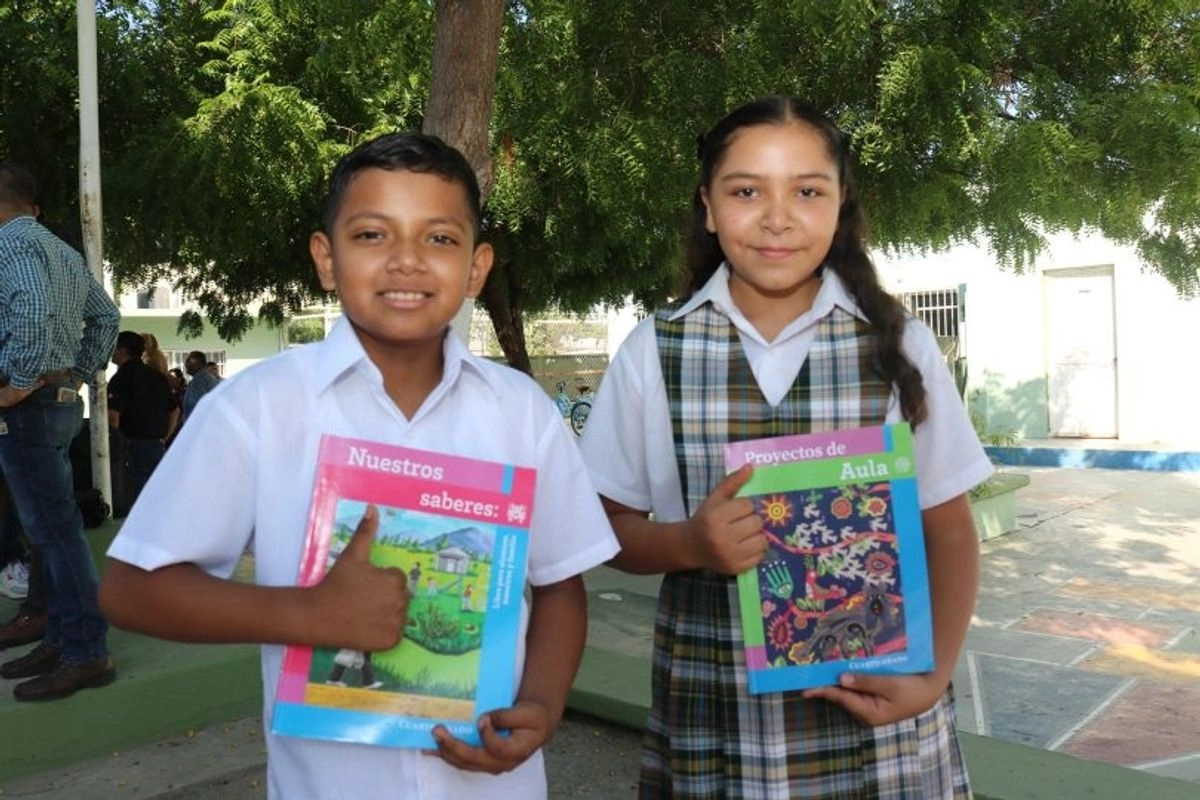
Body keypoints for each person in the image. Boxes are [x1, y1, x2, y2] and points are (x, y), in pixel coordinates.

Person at [99, 132, 619, 798]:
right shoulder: (257, 408)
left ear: (477, 267)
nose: (406, 262)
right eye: (372, 235)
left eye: (439, 239)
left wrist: (543, 705)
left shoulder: (520, 411)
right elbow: (131, 590)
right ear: (326, 258)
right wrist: (311, 616)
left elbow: (559, 585)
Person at [577, 97, 993, 798]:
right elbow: (605, 529)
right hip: (716, 719)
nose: (777, 216)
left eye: (807, 190)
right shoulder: (657, 350)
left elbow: (950, 531)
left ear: (840, 205)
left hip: (877, 723)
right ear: (708, 207)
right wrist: (690, 545)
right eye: (746, 191)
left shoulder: (899, 345)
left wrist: (932, 677)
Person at [0, 162, 119, 701]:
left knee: (54, 532)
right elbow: (108, 318)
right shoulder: (63, 251)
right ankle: (60, 637)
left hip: (27, 406)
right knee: (51, 528)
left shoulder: (10, 245)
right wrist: (75, 372)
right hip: (60, 401)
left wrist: (19, 383)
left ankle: (85, 652)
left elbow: (32, 310)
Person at [107, 330, 171, 507]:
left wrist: (112, 447)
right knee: (157, 500)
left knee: (133, 500)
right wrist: (165, 436)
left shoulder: (121, 378)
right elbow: (173, 411)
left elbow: (113, 416)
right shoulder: (159, 377)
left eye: (113, 347)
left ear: (123, 350)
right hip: (156, 445)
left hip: (131, 447)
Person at [179, 349, 218, 426]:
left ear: (198, 364)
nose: (186, 364)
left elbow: (196, 406)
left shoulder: (199, 380)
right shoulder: (207, 377)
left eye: (188, 361)